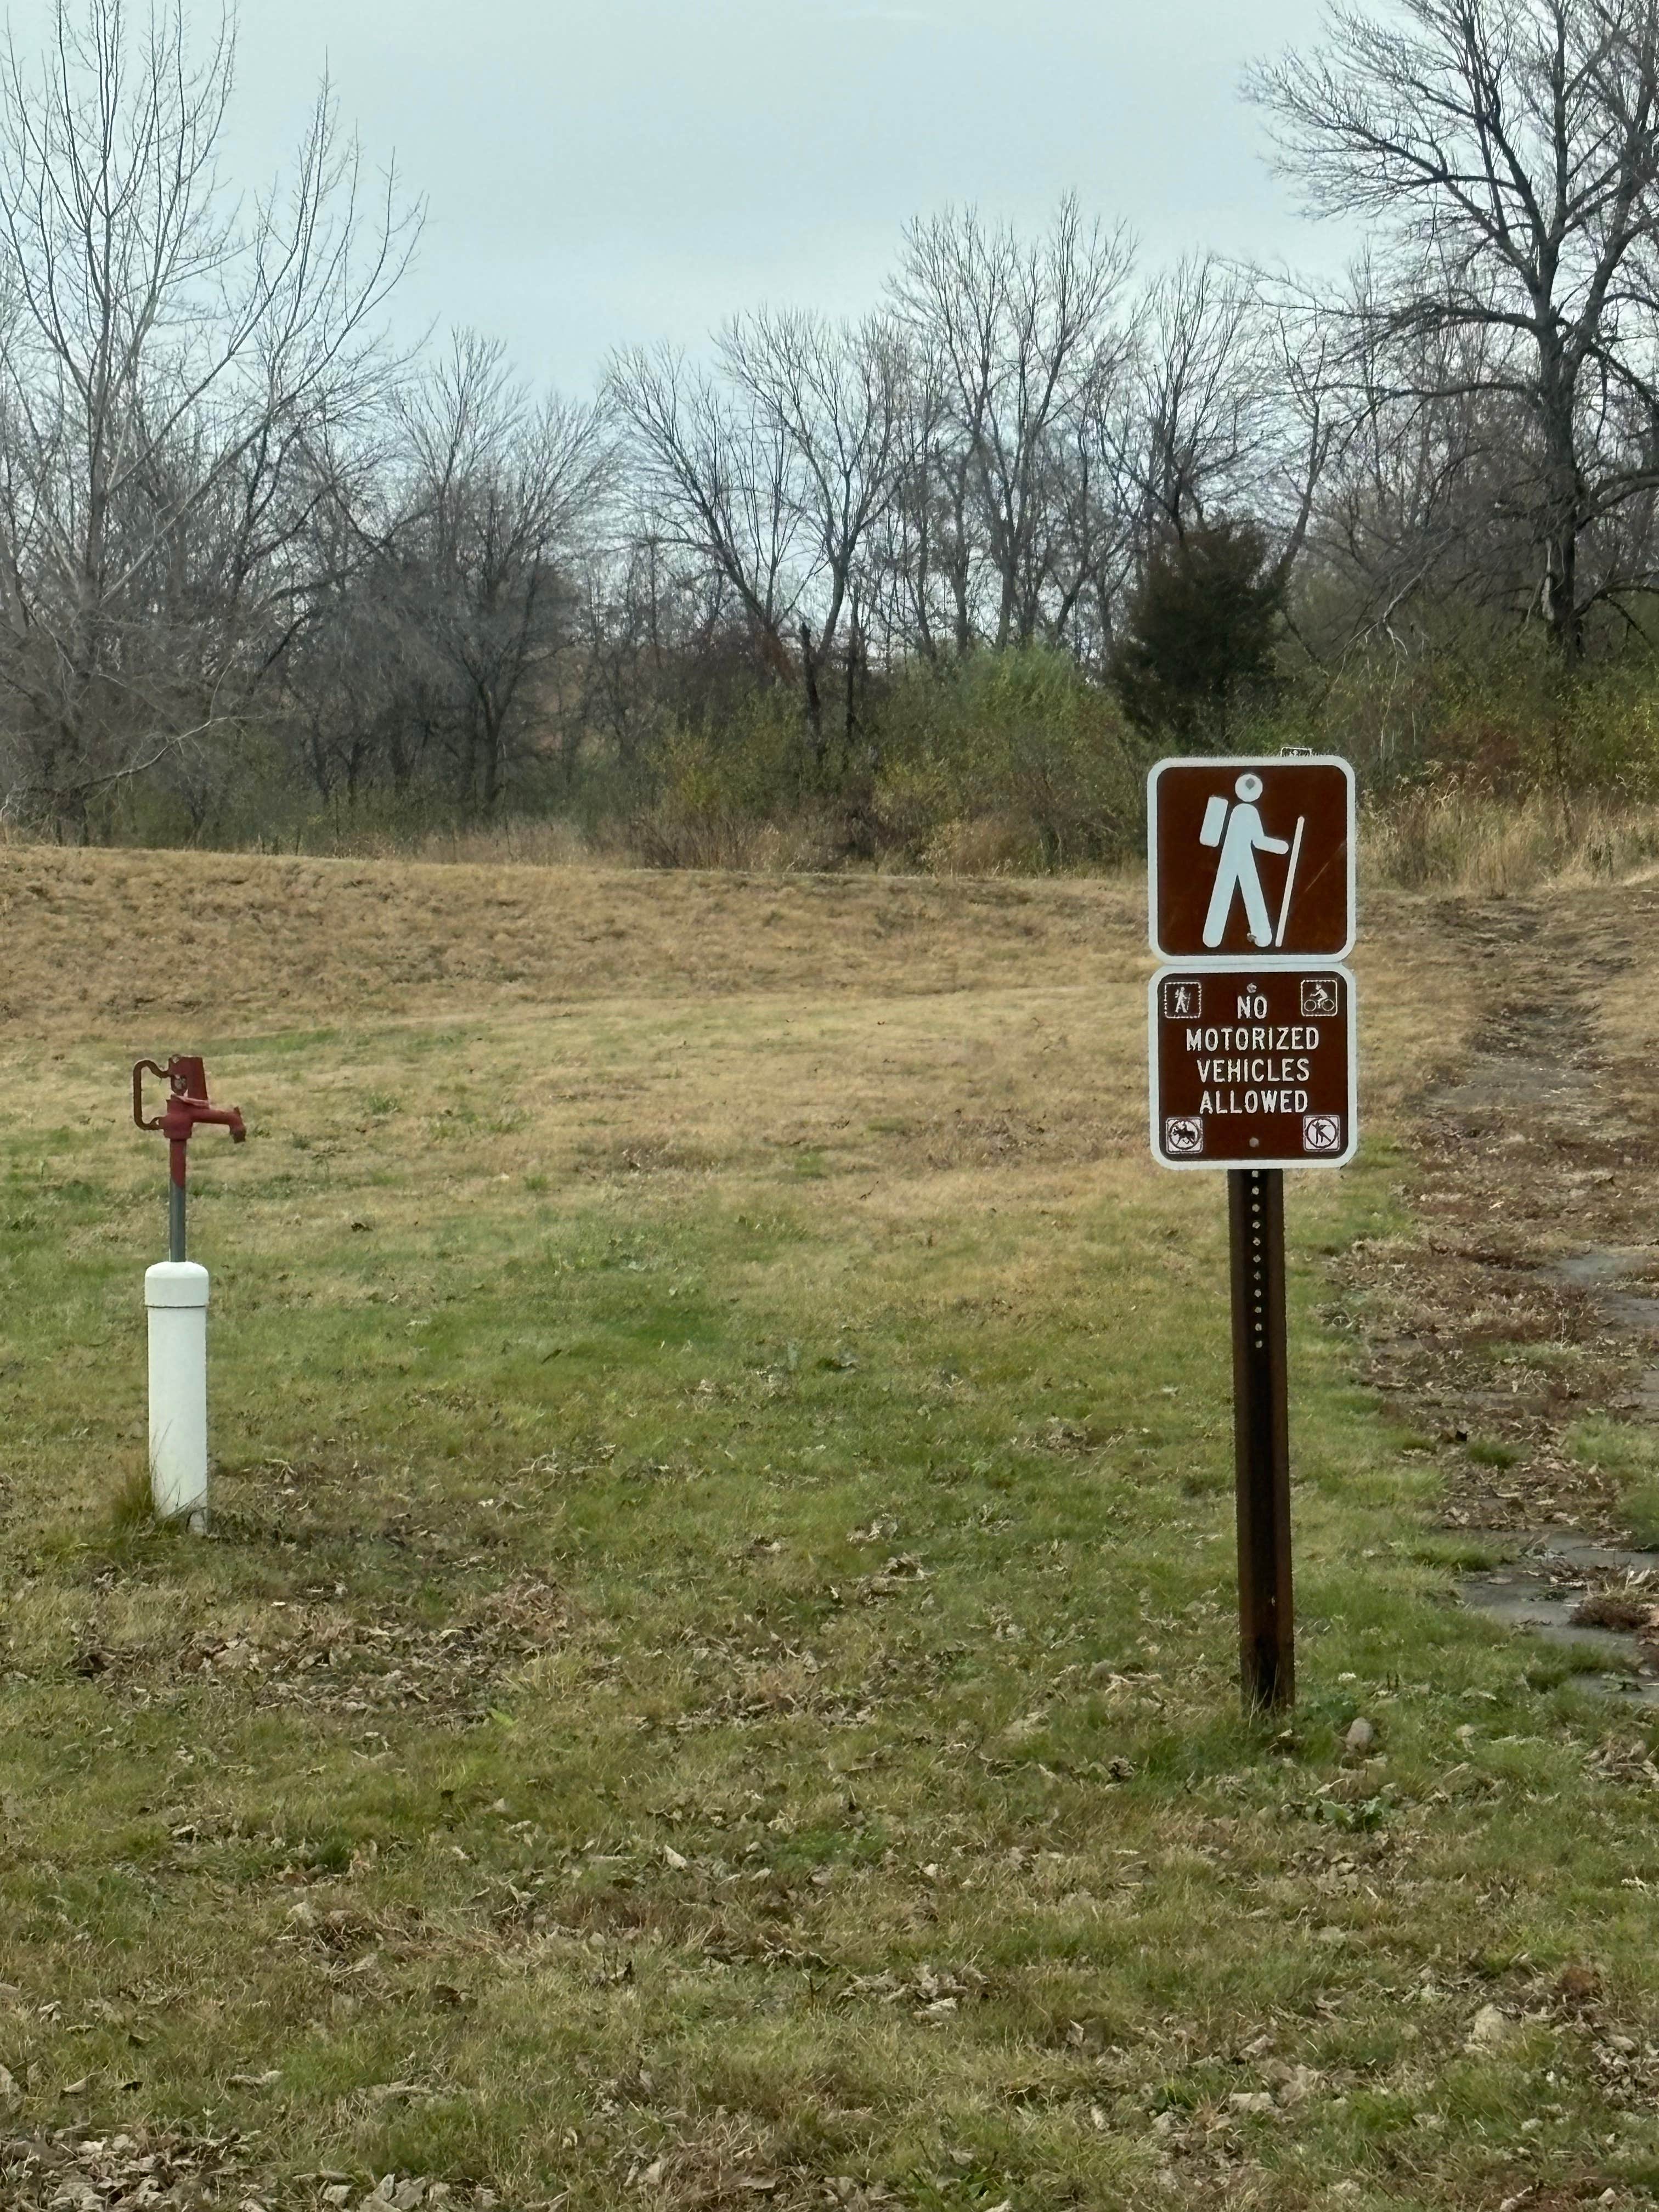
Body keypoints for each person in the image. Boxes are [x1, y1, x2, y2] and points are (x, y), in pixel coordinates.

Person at [1201, 773, 1288, 949]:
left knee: (1226, 897)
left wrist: (1282, 847)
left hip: (1236, 861)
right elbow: (1258, 841)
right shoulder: (1245, 811)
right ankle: (1258, 937)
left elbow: (1211, 837)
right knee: (1245, 896)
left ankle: (1215, 938)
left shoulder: (1243, 811)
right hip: (1235, 860)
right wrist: (1282, 847)